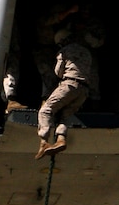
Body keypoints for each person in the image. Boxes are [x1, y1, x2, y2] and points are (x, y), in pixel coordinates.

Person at [35, 28, 93, 160]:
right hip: (84, 91)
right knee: (65, 115)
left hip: (69, 85)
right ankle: (61, 139)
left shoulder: (64, 51)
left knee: (45, 111)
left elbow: (58, 72)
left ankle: (44, 142)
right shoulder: (86, 52)